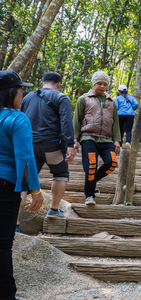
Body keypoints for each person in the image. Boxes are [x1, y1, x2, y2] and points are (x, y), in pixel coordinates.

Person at [0, 70, 44, 300]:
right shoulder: (17, 119)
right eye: (21, 89)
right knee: (3, 245)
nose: (23, 93)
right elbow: (25, 158)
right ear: (10, 92)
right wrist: (35, 191)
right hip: (4, 184)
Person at [20, 71, 76, 220]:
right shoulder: (61, 97)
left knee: (23, 181)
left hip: (29, 146)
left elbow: (21, 119)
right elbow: (66, 122)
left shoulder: (27, 97)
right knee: (60, 175)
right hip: (52, 147)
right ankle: (54, 209)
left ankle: (16, 220)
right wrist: (70, 144)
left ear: (42, 83)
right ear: (59, 84)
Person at [73, 71, 121, 205]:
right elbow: (76, 120)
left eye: (105, 84)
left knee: (112, 163)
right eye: (99, 83)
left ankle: (92, 182)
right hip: (88, 138)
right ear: (93, 83)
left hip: (106, 139)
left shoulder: (112, 101)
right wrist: (75, 139)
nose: (102, 86)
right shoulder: (84, 99)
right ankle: (89, 195)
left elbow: (116, 122)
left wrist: (117, 140)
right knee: (91, 166)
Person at [115, 84, 139, 149]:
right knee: (129, 130)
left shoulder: (118, 98)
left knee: (120, 130)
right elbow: (136, 104)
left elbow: (116, 107)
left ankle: (119, 145)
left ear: (119, 91)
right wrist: (132, 109)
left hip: (121, 114)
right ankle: (128, 142)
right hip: (130, 115)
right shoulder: (131, 97)